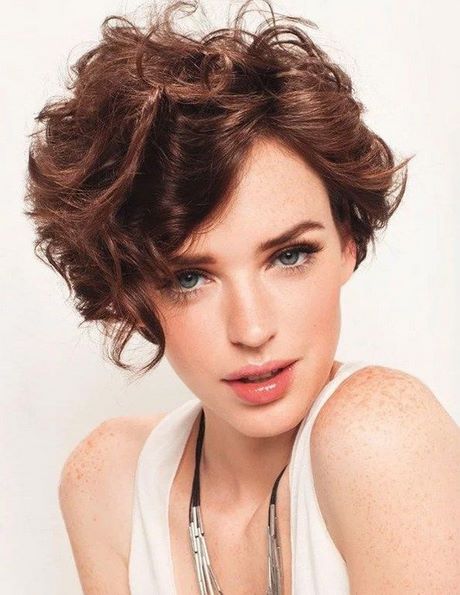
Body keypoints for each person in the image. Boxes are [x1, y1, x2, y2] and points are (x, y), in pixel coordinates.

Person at [24, 0, 460, 593]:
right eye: (188, 278)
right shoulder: (109, 484)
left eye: (289, 255)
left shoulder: (380, 434)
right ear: (129, 294)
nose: (252, 330)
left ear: (348, 243)